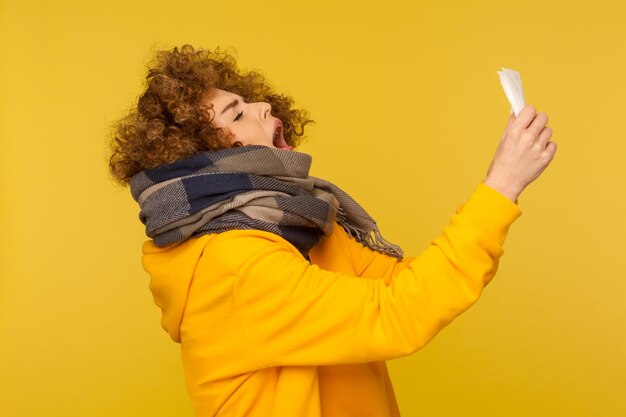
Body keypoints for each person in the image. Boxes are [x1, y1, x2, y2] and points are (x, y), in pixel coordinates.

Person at [109, 45, 556, 417]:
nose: (263, 106)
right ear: (217, 157)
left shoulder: (303, 228)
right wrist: (501, 184)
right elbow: (399, 314)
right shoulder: (237, 265)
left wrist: (503, 195)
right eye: (238, 112)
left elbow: (413, 287)